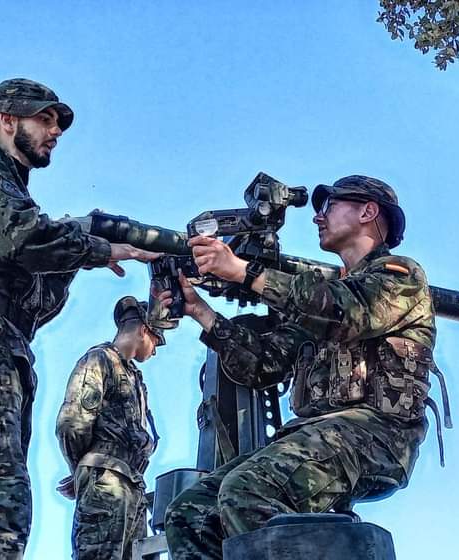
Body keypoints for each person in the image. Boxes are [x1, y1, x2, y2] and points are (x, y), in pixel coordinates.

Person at [0, 78, 159, 559]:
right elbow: (21, 237)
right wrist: (96, 244)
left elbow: (37, 303)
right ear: (7, 120)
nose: (55, 130)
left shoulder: (11, 193)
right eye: (44, 119)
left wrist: (77, 251)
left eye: (58, 122)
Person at [162, 175, 442, 559]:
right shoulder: (315, 302)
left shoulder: (400, 276)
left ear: (368, 211)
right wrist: (203, 313)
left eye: (329, 206)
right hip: (317, 432)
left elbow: (349, 310)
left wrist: (246, 273)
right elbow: (262, 366)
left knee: (247, 489)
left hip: (376, 434)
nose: (317, 218)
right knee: (190, 513)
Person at [55, 296, 165, 560]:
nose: (156, 350)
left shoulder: (135, 377)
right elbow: (72, 423)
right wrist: (83, 468)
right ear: (143, 330)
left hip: (132, 482)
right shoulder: (99, 360)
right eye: (157, 340)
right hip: (107, 480)